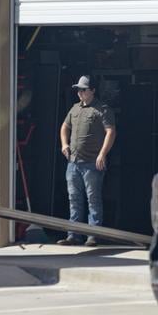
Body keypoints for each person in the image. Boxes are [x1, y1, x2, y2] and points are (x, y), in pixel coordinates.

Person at [57, 75, 116, 247]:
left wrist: (102, 154)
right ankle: (73, 235)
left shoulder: (102, 109)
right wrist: (64, 144)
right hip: (73, 162)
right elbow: (64, 127)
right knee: (74, 199)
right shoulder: (75, 108)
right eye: (78, 90)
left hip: (92, 162)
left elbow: (111, 132)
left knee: (93, 199)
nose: (80, 93)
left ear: (92, 90)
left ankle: (93, 235)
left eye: (83, 89)